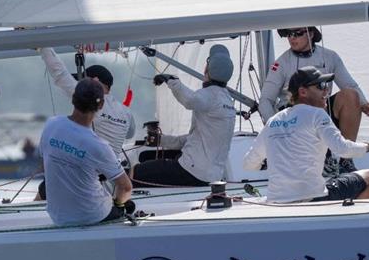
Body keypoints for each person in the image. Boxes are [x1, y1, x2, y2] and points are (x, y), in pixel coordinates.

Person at [245, 66, 369, 203]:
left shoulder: (273, 121)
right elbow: (343, 149)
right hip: (312, 198)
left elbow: (248, 164)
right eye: (320, 86)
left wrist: (266, 165)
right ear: (303, 92)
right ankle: (348, 221)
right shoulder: (317, 114)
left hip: (277, 201)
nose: (326, 90)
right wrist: (368, 146)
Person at [258, 26, 369, 175]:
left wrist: (364, 104)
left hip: (323, 110)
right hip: (294, 117)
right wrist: (275, 125)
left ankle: (344, 159)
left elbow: (349, 84)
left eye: (297, 33)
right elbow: (265, 100)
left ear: (311, 33)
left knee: (351, 95)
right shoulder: (281, 63)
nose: (291, 38)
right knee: (309, 98)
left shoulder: (330, 56)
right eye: (288, 34)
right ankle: (323, 159)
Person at [132, 44, 236, 187]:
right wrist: (162, 140)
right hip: (210, 175)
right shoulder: (227, 101)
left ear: (207, 70)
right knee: (145, 156)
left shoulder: (209, 95)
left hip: (192, 172)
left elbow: (189, 100)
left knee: (135, 173)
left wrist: (171, 80)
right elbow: (194, 139)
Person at [39, 79, 134, 226]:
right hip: (91, 216)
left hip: (58, 217)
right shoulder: (99, 146)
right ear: (101, 105)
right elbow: (126, 187)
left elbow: (46, 161)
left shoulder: (51, 125)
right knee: (129, 205)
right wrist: (119, 206)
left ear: (73, 99)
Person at [39, 48, 136, 160]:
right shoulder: (126, 112)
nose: (81, 85)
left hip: (87, 169)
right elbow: (129, 134)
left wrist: (44, 48)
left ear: (95, 80)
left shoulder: (90, 97)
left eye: (82, 81)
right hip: (111, 170)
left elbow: (60, 74)